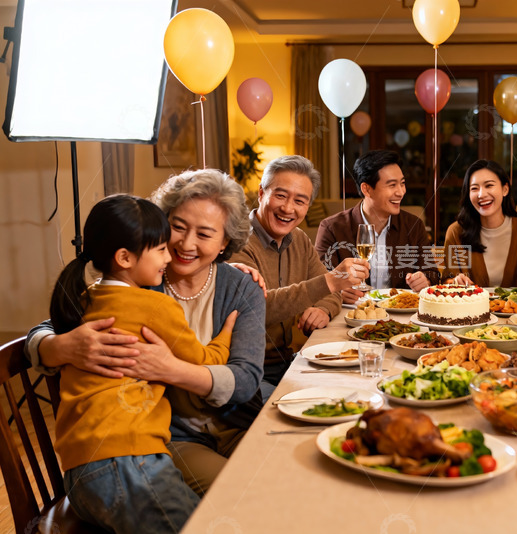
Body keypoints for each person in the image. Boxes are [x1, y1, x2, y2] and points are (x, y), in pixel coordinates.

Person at [27, 169, 266, 495]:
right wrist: (61, 347)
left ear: (225, 241)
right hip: (172, 436)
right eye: (178, 227)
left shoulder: (241, 288)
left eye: (205, 234)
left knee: (285, 481)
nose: (186, 243)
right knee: (242, 491)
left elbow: (246, 379)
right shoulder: (137, 280)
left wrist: (170, 370)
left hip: (240, 425)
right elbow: (47, 328)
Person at [47, 195, 237, 533]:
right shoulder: (154, 306)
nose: (169, 256)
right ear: (124, 258)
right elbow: (205, 360)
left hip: (79, 476)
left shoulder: (81, 299)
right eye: (161, 249)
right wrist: (226, 335)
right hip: (129, 462)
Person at [230, 155, 369, 393]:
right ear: (261, 193)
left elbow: (332, 293)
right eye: (280, 195)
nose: (288, 208)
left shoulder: (299, 240)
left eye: (299, 201)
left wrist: (323, 309)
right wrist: (331, 281)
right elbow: (255, 308)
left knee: (356, 387)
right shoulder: (236, 241)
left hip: (288, 361)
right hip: (247, 370)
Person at [315, 149, 438, 303]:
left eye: (402, 183)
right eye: (392, 185)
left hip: (399, 310)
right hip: (352, 311)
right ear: (366, 189)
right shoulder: (332, 228)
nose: (401, 192)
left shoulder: (413, 225)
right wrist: (339, 292)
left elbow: (432, 272)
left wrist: (425, 279)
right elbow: (319, 281)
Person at [443, 159, 517, 288]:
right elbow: (447, 279)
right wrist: (454, 282)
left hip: (516, 302)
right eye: (474, 188)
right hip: (469, 302)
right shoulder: (455, 232)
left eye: (489, 185)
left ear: (505, 189)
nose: (481, 194)